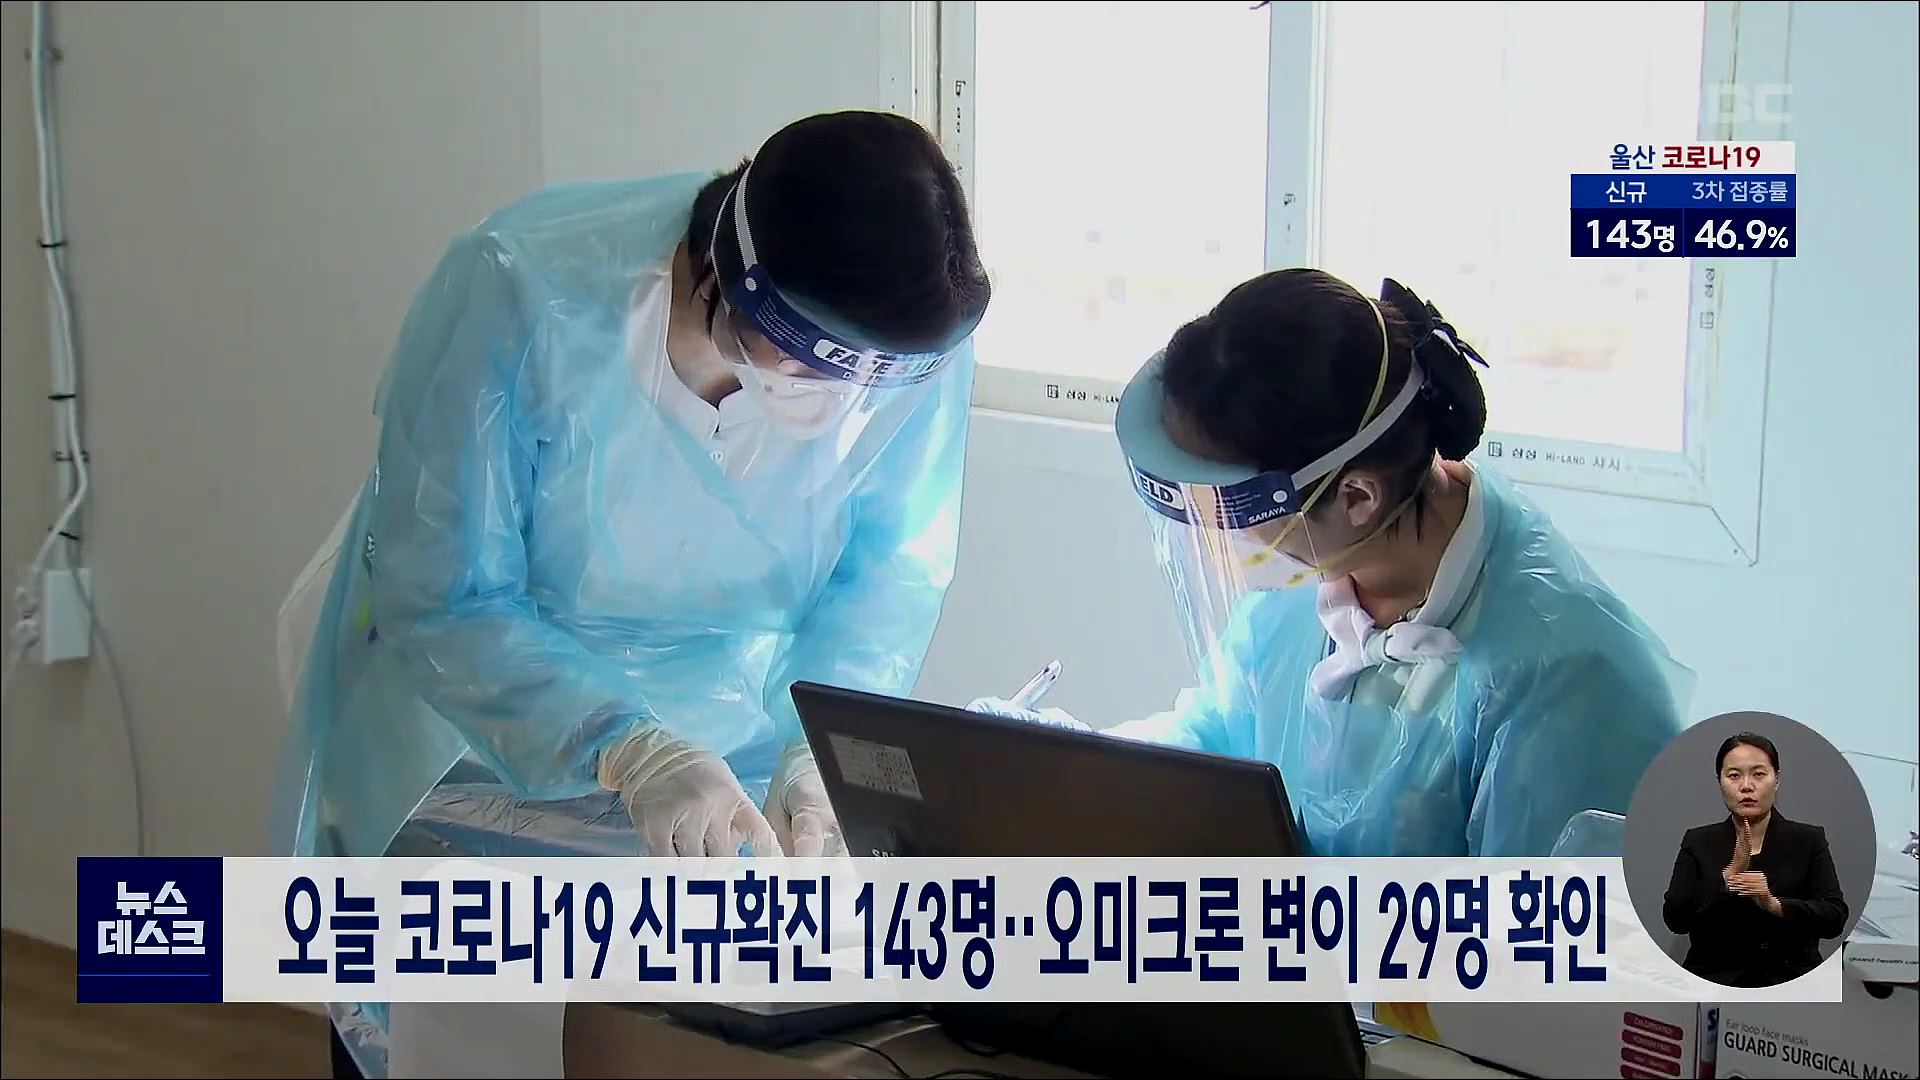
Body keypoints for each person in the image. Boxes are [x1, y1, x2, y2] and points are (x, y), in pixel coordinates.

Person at [271, 110, 989, 1078]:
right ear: (742, 282)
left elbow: (885, 578)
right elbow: (446, 596)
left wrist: (821, 748)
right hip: (477, 736)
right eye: (816, 361)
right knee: (461, 1027)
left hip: (727, 759)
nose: (845, 400)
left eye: (874, 377)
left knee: (693, 1037)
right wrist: (624, 745)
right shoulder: (524, 292)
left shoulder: (903, 339)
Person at [973, 269, 1690, 858]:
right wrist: (1072, 765)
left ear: (1356, 496)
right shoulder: (1311, 580)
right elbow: (1218, 757)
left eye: (1239, 512)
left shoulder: (1571, 680)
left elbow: (1549, 965)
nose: (1236, 540)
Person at [1662, 732, 1849, 987]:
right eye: (1734, 776)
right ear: (1720, 782)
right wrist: (1727, 879)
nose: (1746, 786)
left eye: (1758, 774)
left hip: (1791, 982)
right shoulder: (1698, 841)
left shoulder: (1808, 840)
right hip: (1714, 982)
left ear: (1777, 779)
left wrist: (1774, 904)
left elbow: (1834, 917)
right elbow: (1676, 919)